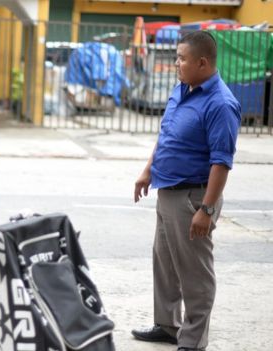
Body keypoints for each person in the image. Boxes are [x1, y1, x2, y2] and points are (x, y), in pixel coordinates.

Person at [132, 31, 240, 351]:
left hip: (193, 197)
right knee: (164, 262)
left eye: (181, 58)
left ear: (202, 62)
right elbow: (167, 135)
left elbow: (221, 163)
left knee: (195, 273)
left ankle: (192, 340)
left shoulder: (221, 104)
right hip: (167, 189)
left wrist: (205, 210)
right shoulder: (182, 89)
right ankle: (167, 325)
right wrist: (147, 171)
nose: (176, 63)